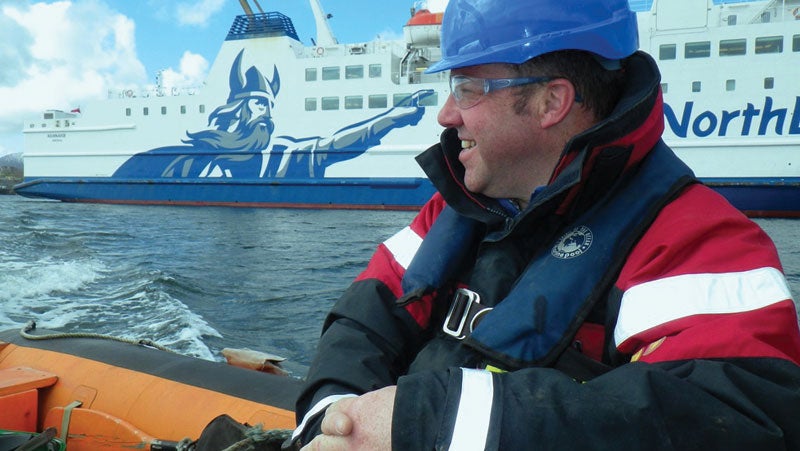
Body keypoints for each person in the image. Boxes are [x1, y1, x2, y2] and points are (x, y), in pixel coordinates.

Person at [288, 0, 800, 449]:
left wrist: (436, 423)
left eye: (467, 89)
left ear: (551, 101)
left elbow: (740, 411)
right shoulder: (455, 208)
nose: (446, 115)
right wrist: (330, 414)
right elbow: (366, 318)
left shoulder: (699, 239)